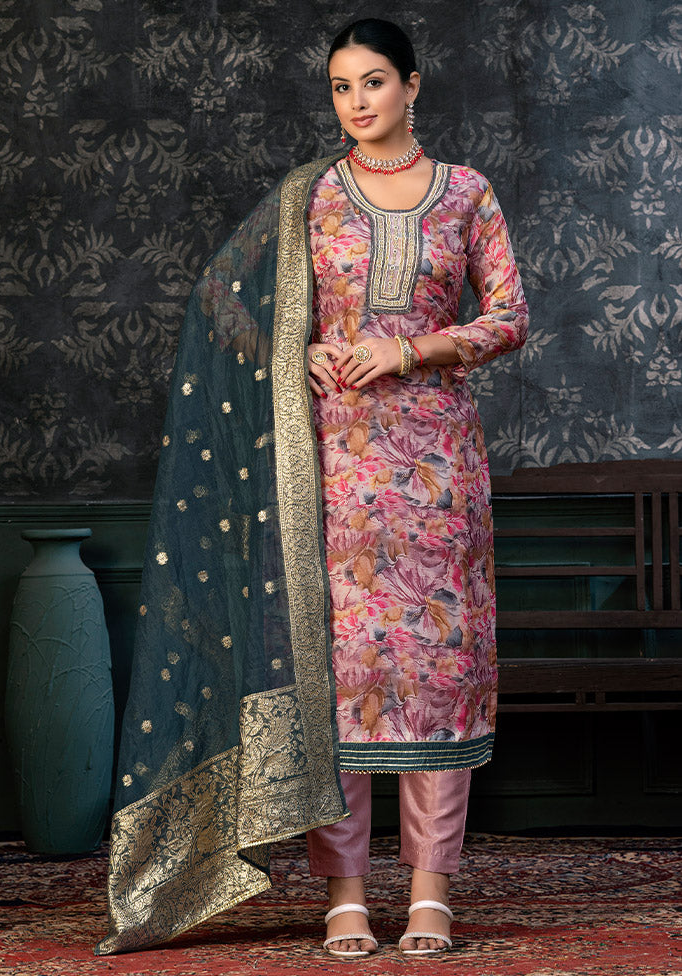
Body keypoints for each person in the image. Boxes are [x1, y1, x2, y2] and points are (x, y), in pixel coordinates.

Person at [95, 18, 528, 959]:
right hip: (327, 464)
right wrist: (295, 355)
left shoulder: (466, 193)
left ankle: (429, 892)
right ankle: (345, 894)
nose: (357, 101)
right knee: (337, 678)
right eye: (341, 86)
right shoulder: (309, 198)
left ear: (413, 85)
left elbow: (508, 317)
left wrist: (408, 350)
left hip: (436, 470)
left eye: (373, 81)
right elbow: (222, 302)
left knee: (434, 676)